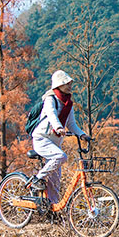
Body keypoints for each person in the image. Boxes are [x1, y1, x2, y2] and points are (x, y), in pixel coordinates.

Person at [30, 70, 91, 205]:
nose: (69, 86)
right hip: (42, 139)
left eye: (70, 83)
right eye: (66, 83)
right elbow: (52, 115)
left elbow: (71, 124)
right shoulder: (50, 98)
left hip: (54, 143)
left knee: (55, 180)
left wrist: (82, 134)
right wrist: (58, 127)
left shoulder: (68, 103)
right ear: (58, 84)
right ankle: (37, 178)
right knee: (61, 157)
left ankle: (52, 209)